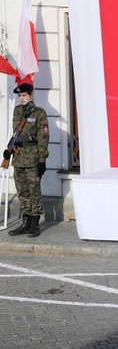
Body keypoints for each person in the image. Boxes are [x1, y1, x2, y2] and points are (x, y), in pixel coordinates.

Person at [4, 83, 49, 238]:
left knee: (34, 191)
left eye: (24, 95)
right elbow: (16, 134)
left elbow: (43, 138)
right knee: (22, 191)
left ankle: (35, 224)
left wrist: (42, 160)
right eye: (19, 96)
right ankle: (25, 222)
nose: (21, 99)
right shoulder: (17, 111)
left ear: (31, 95)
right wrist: (8, 152)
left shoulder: (39, 113)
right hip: (18, 158)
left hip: (32, 158)